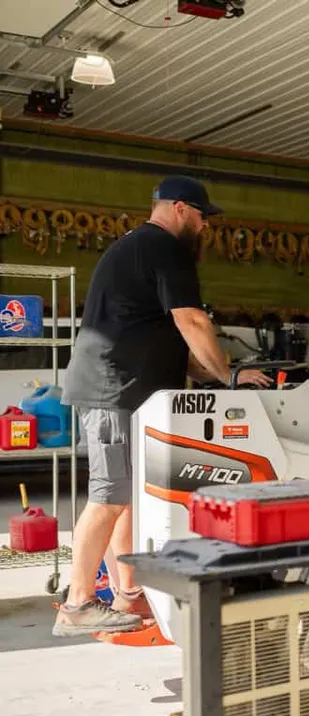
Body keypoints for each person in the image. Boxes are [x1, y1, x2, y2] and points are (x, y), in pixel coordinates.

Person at [53, 176, 271, 637]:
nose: (205, 226)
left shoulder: (138, 247)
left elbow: (170, 338)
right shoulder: (166, 248)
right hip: (114, 390)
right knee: (109, 494)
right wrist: (228, 376)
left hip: (123, 388)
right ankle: (77, 602)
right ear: (178, 208)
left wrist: (211, 372)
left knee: (125, 496)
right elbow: (191, 320)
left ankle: (128, 593)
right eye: (201, 216)